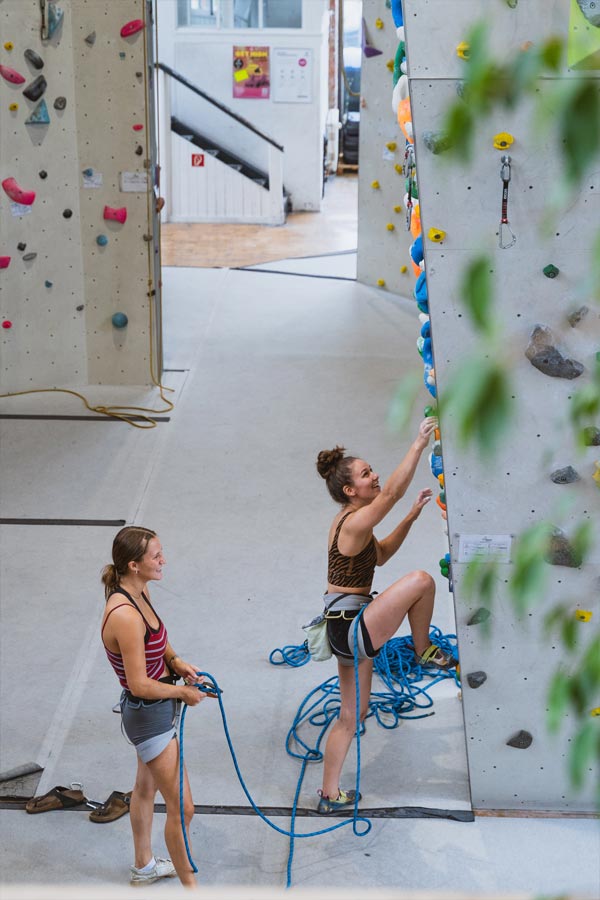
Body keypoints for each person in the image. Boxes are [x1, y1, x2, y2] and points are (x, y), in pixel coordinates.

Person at [314, 416, 455, 814]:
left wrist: (409, 518)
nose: (374, 476)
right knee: (421, 580)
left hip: (343, 626)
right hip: (350, 625)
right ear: (349, 490)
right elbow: (390, 493)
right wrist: (419, 443)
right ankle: (423, 649)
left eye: (372, 470)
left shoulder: (355, 524)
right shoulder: (356, 520)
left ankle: (329, 794)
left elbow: (381, 556)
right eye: (365, 474)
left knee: (351, 714)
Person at [101, 525, 209, 888]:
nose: (163, 560)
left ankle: (143, 866)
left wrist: (176, 662)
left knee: (145, 790)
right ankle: (192, 889)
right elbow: (139, 684)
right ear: (134, 565)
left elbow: (157, 641)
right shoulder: (124, 615)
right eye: (156, 556)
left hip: (155, 709)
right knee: (183, 808)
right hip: (151, 716)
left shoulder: (139, 591)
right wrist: (182, 693)